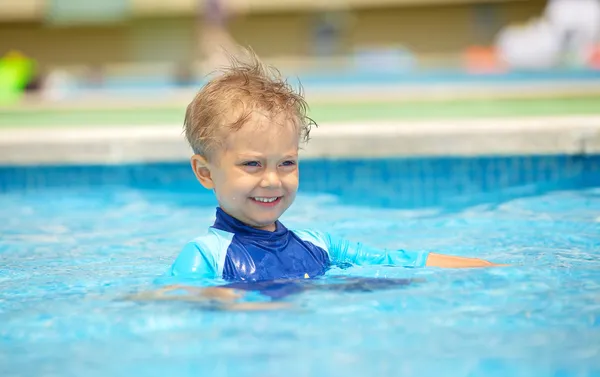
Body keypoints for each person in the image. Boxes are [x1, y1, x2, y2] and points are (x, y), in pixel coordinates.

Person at [131, 50, 497, 309]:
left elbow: (397, 260)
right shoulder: (206, 256)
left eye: (287, 162)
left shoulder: (317, 246)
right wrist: (220, 297)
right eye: (253, 165)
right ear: (205, 173)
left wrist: (487, 269)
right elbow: (162, 298)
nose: (273, 180)